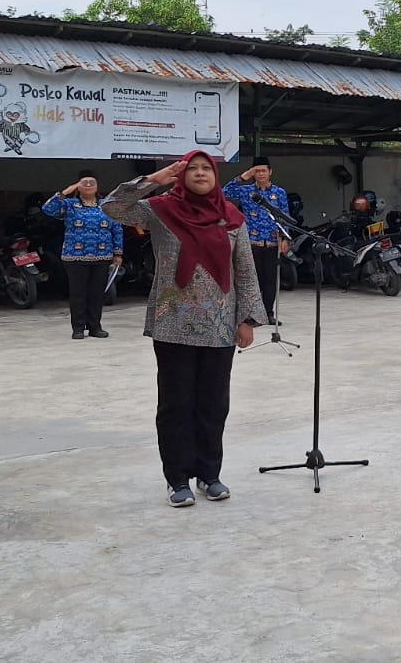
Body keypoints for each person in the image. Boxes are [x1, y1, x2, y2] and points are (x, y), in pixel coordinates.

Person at [104, 150, 266, 507]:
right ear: (180, 175)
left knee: (213, 404)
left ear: (216, 175)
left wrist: (247, 319)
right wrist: (153, 180)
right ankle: (176, 479)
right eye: (191, 168)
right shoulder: (161, 211)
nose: (199, 173)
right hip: (172, 323)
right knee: (176, 404)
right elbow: (112, 208)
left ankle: (209, 475)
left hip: (220, 325)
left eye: (206, 168)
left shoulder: (232, 219)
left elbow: (245, 271)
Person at [42, 170, 123, 340]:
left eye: (91, 182)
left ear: (97, 186)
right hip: (75, 256)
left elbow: (116, 228)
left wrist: (118, 253)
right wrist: (66, 191)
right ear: (78, 186)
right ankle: (78, 328)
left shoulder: (107, 204)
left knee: (97, 293)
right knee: (78, 293)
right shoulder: (70, 204)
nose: (88, 185)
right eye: (84, 182)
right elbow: (48, 209)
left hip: (102, 256)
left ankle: (95, 327)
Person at [223, 156, 292, 325]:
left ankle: (268, 313)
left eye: (263, 170)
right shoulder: (247, 191)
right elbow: (224, 192)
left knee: (270, 280)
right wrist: (243, 177)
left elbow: (285, 216)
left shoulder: (279, 192)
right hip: (251, 243)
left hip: (272, 243)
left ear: (270, 172)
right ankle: (251, 315)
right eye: (257, 171)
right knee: (251, 281)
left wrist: (285, 237)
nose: (260, 174)